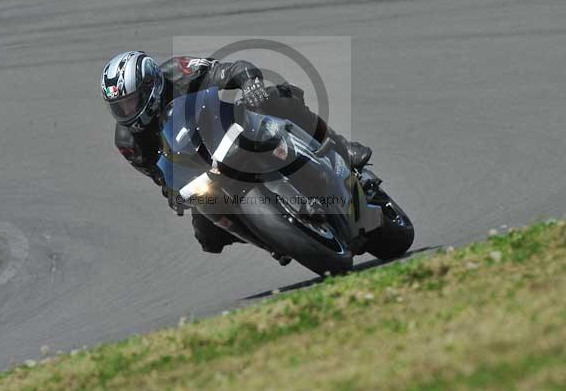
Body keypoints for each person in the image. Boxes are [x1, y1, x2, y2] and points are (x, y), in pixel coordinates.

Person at [101, 51, 372, 253]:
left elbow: (231, 70)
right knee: (207, 237)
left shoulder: (177, 71)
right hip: (203, 170)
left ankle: (340, 147)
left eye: (131, 102)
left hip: (231, 128)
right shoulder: (128, 140)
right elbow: (160, 176)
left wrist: (249, 83)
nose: (126, 112)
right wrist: (173, 195)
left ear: (151, 86)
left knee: (278, 97)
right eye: (119, 107)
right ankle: (272, 239)